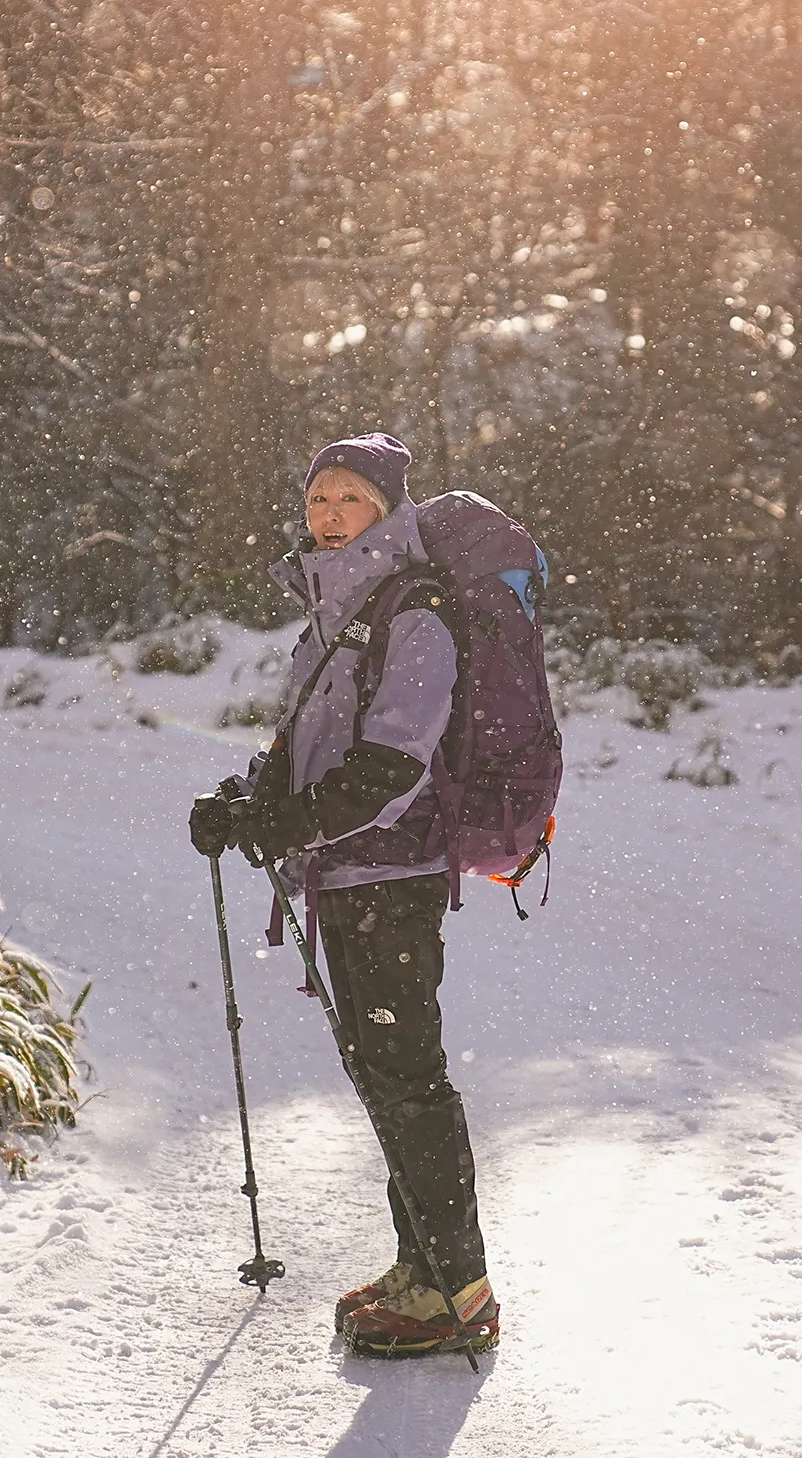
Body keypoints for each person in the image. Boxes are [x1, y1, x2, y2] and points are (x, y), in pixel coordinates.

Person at [189, 431, 498, 1359]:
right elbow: (304, 745)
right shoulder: (339, 610)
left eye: (349, 499)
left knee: (408, 1079)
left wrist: (286, 828)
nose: (327, 516)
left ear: (389, 512)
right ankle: (423, 1269)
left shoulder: (416, 614)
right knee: (382, 1074)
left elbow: (392, 768)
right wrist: (244, 802)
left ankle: (460, 1288)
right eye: (318, 499)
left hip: (390, 876)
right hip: (347, 874)